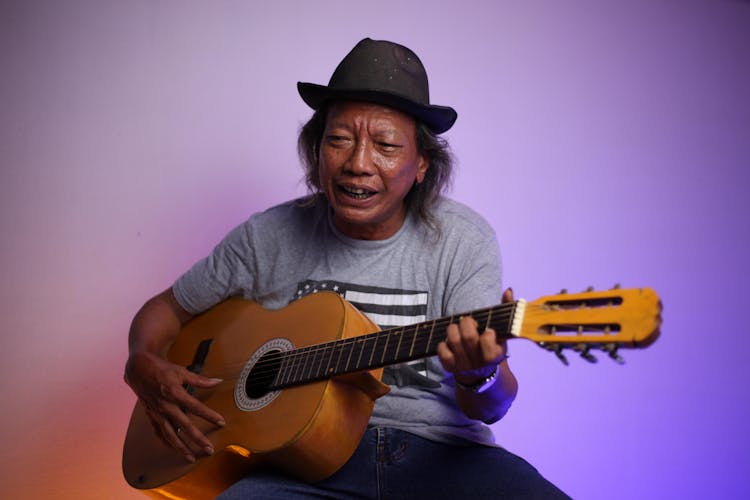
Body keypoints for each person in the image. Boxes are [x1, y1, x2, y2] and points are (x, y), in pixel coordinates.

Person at [125, 38, 569, 499]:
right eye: (339, 139)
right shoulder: (268, 236)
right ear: (317, 151)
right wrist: (142, 363)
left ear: (420, 164)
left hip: (443, 458)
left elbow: (490, 408)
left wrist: (483, 374)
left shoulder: (463, 240)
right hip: (300, 470)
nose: (358, 163)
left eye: (385, 145)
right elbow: (164, 311)